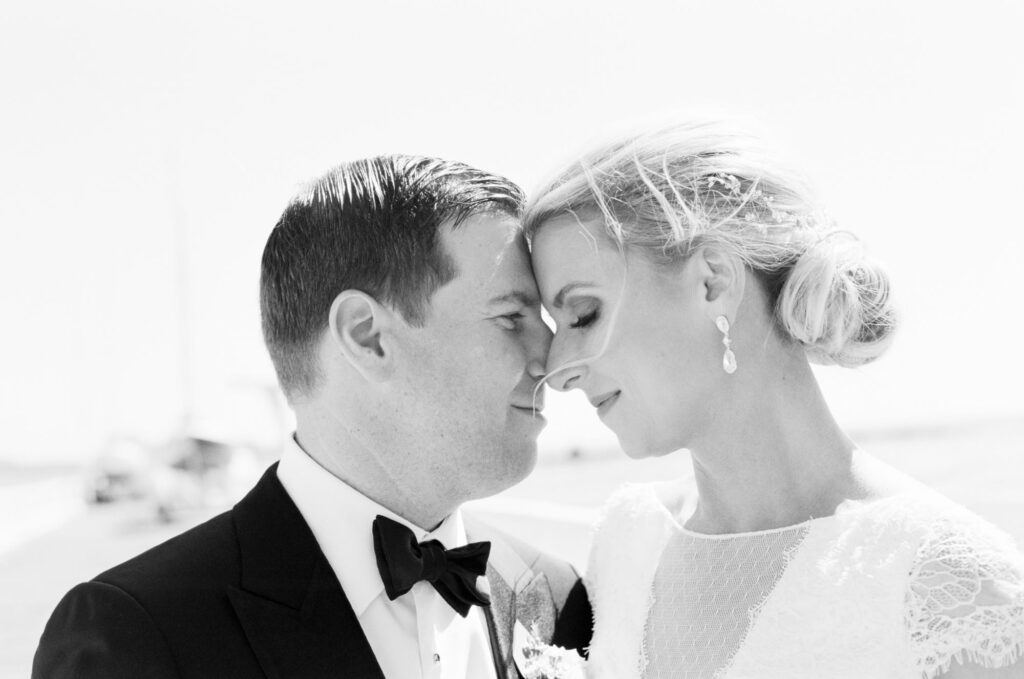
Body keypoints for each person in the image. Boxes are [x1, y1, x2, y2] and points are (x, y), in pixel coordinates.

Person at [33, 155, 592, 678]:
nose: (557, 358)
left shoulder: (557, 593)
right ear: (367, 336)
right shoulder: (137, 633)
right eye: (512, 317)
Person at [524, 120, 1024, 679]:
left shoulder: (950, 586)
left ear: (712, 280)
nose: (558, 370)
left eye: (583, 315)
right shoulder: (628, 541)